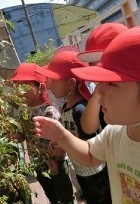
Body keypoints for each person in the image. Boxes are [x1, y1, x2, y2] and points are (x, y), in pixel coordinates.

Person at [33, 25, 140, 204]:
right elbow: (91, 154)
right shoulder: (116, 132)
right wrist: (61, 134)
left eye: (112, 84)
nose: (99, 91)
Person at [36, 46, 112, 204]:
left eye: (54, 80)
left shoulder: (81, 109)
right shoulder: (65, 108)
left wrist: (64, 141)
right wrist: (61, 145)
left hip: (95, 174)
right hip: (81, 171)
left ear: (71, 84)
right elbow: (72, 135)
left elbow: (89, 144)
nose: (49, 85)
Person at [10, 63, 76, 204]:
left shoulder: (49, 111)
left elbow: (61, 137)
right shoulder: (22, 112)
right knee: (52, 198)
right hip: (38, 164)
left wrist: (54, 157)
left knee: (65, 198)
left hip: (56, 162)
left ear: (40, 87)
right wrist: (16, 135)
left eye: (25, 86)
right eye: (16, 87)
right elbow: (22, 136)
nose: (20, 92)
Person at [78, 23, 128, 134]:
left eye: (103, 68)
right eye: (93, 66)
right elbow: (88, 128)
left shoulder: (137, 91)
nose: (97, 75)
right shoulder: (100, 91)